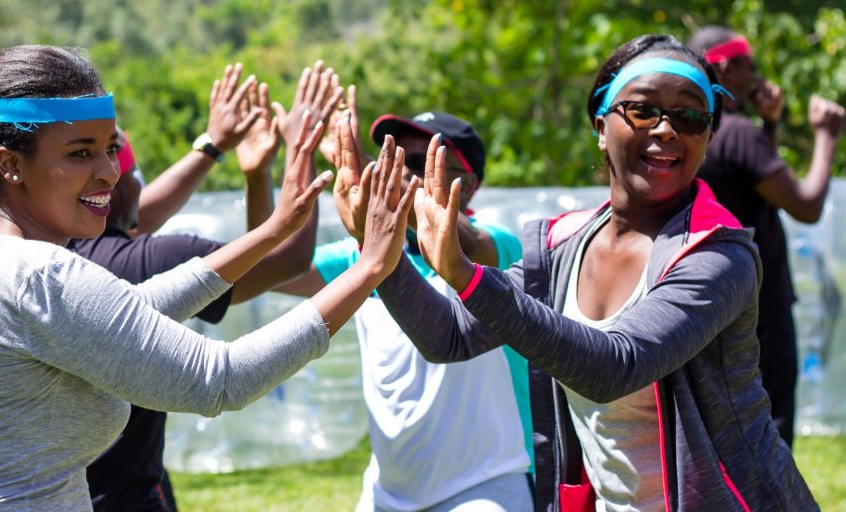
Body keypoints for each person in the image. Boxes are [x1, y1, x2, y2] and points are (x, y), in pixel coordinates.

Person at [0, 45, 417, 511]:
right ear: (10, 164)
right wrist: (371, 267)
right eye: (80, 152)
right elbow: (221, 378)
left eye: (110, 148)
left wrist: (270, 231)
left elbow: (130, 310)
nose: (109, 171)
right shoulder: (33, 273)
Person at [359, 34, 817, 510]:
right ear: (601, 126)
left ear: (705, 138)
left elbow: (614, 367)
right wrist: (380, 257)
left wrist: (467, 275)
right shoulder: (562, 246)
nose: (665, 129)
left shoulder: (718, 254)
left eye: (689, 116)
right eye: (642, 109)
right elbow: (447, 336)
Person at [77, 63, 341, 512]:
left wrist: (226, 156)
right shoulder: (150, 261)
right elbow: (288, 262)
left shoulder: (47, 255)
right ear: (112, 186)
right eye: (135, 171)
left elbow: (136, 214)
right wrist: (302, 145)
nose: (142, 184)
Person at [281, 108, 533, 511]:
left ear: (467, 185)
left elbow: (457, 239)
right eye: (390, 158)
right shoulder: (356, 256)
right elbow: (273, 271)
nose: (400, 175)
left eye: (417, 164)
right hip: (386, 495)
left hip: (487, 486)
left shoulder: (497, 249)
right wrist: (295, 157)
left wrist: (365, 168)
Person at [688, 26, 845, 447]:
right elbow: (806, 206)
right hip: (761, 303)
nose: (755, 78)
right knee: (770, 427)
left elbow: (746, 190)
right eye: (748, 67)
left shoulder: (695, 134)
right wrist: (827, 134)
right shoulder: (739, 133)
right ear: (725, 68)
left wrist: (769, 125)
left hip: (710, 298)